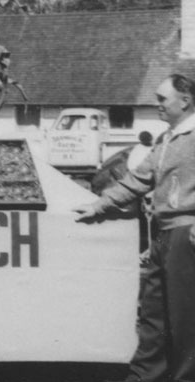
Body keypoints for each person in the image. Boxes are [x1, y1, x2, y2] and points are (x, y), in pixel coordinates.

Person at [74, 74, 195, 382]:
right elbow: (139, 179)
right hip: (162, 235)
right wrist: (99, 204)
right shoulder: (166, 139)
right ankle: (144, 377)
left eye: (161, 99)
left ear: (185, 101)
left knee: (184, 319)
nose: (156, 105)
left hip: (186, 236)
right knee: (153, 315)